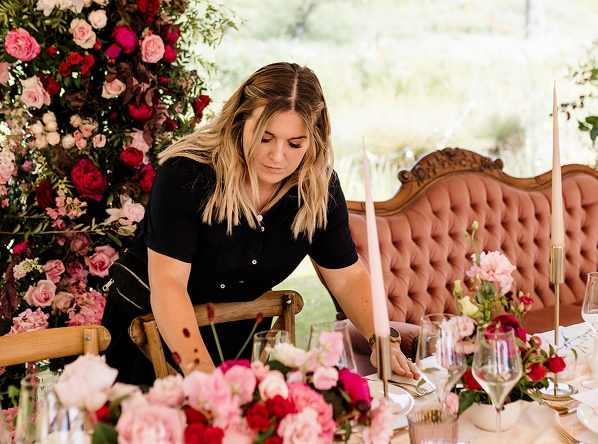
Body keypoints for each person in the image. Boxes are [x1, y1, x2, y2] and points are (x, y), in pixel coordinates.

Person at [103, 62, 418, 384]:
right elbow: (169, 283)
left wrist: (382, 340)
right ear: (240, 121)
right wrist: (205, 379)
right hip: (149, 336)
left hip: (237, 339)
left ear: (315, 139)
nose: (277, 156)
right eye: (265, 138)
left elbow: (347, 277)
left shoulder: (318, 188)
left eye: (295, 144)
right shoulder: (187, 174)